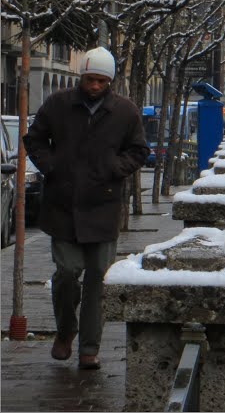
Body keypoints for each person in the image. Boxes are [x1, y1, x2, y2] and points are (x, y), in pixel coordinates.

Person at [24, 47, 148, 371]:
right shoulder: (59, 105)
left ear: (110, 82)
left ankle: (89, 348)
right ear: (83, 77)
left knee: (97, 279)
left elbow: (139, 150)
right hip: (63, 206)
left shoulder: (125, 112)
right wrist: (52, 166)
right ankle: (65, 331)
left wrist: (115, 168)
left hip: (103, 207)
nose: (95, 87)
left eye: (101, 81)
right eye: (91, 79)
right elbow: (33, 139)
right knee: (67, 274)